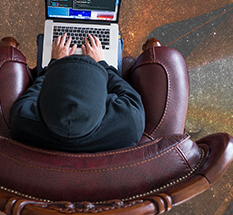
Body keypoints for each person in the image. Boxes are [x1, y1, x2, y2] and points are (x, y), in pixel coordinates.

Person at [8, 33, 145, 153]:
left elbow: (33, 91)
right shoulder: (130, 122)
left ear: (43, 100)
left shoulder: (22, 120)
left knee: (43, 39)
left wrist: (54, 63)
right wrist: (102, 63)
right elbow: (124, 89)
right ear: (103, 100)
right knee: (117, 41)